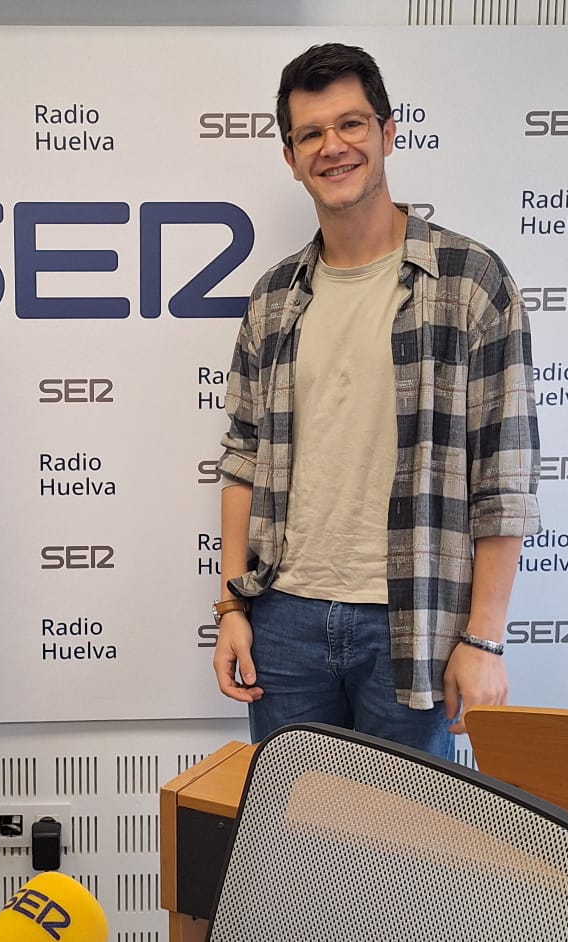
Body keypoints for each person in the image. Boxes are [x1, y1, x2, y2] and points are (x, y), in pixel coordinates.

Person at [211, 44, 541, 760]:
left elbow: (504, 477)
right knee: (291, 824)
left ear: (388, 133)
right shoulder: (273, 298)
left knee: (405, 829)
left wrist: (484, 638)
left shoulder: (470, 281)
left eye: (351, 124)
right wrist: (232, 605)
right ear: (291, 158)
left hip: (415, 622)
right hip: (284, 622)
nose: (333, 146)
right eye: (310, 134)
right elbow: (242, 457)